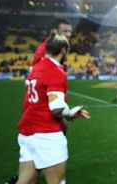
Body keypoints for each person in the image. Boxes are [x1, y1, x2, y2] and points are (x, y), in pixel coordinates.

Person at [16, 34, 90, 184]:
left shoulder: (35, 68)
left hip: (27, 134)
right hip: (47, 134)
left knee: (26, 181)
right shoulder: (55, 71)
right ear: (63, 50)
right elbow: (56, 107)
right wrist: (70, 113)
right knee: (57, 182)